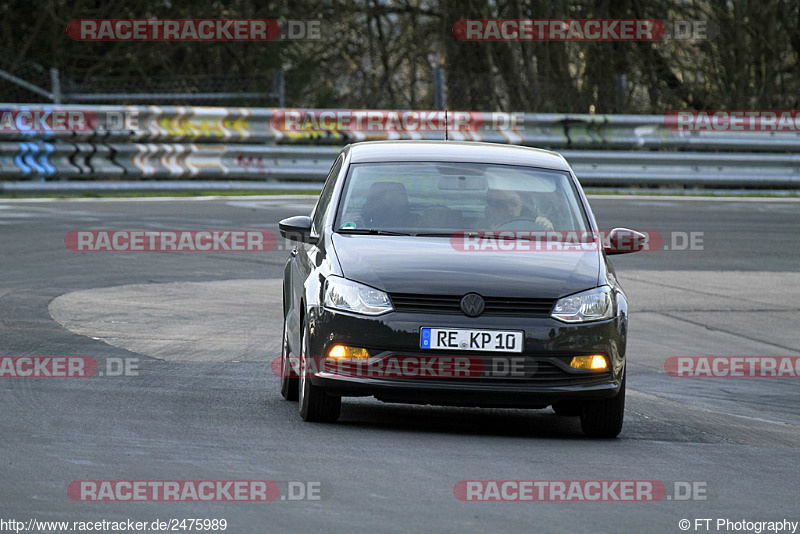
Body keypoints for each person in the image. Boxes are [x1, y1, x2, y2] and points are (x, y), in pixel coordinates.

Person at [484, 189, 553, 229]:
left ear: (521, 205)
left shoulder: (534, 227)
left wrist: (549, 232)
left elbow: (556, 247)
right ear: (490, 209)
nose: (509, 208)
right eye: (501, 204)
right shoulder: (478, 232)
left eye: (513, 202)